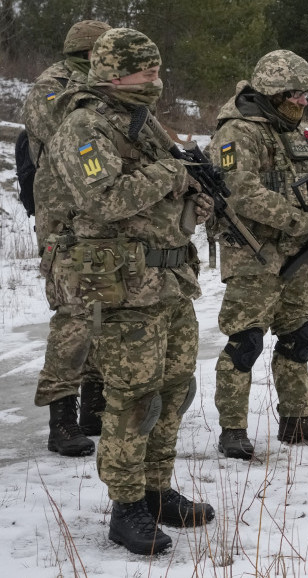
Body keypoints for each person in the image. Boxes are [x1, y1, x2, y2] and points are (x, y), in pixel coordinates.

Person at [44, 27, 215, 555]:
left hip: (168, 281)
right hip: (121, 289)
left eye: (159, 70)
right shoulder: (84, 126)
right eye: (146, 71)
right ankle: (127, 506)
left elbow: (169, 199)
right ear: (113, 73)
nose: (156, 80)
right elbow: (105, 200)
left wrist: (195, 196)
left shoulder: (145, 125)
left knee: (174, 391)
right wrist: (173, 171)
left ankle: (158, 490)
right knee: (132, 399)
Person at [208, 49, 308, 460]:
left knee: (297, 338)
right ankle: (232, 429)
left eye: (307, 94)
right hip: (253, 258)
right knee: (246, 342)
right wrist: (301, 223)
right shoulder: (236, 133)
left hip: (297, 260)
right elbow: (240, 191)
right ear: (272, 93)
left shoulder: (300, 136)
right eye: (295, 94)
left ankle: (295, 421)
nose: (304, 101)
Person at [23, 19, 111, 457]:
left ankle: (94, 406)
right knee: (74, 317)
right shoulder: (51, 86)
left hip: (100, 216)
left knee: (104, 308)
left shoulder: (101, 85)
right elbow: (65, 130)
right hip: (65, 220)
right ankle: (62, 418)